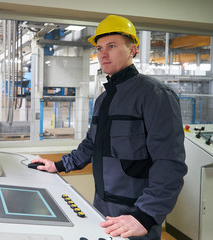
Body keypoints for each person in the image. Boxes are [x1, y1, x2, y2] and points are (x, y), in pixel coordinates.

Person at [31, 15, 187, 239]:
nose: (103, 53)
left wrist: (145, 216)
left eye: (112, 46)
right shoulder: (103, 99)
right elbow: (91, 144)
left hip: (135, 213)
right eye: (100, 47)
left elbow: (170, 163)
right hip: (102, 206)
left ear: (132, 50)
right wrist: (58, 165)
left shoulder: (155, 95)